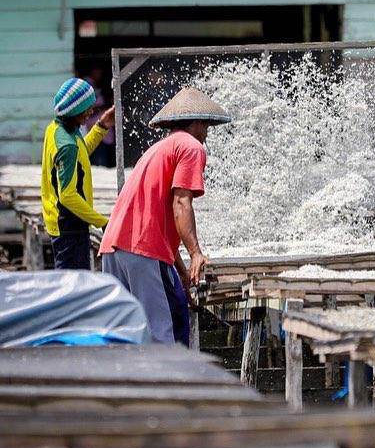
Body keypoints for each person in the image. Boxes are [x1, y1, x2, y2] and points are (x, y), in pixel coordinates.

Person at [99, 87, 231, 344]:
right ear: (197, 123)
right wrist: (196, 253)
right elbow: (181, 202)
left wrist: (182, 272)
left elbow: (161, 219)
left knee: (123, 335)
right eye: (206, 126)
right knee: (164, 331)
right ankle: (171, 383)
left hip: (113, 248)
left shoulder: (158, 148)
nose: (206, 134)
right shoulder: (192, 147)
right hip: (143, 250)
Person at [40, 77, 114, 270]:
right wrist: (102, 222)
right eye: (87, 108)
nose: (91, 112)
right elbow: (67, 195)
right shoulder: (67, 144)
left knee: (74, 282)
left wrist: (101, 127)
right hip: (69, 226)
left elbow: (80, 155)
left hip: (64, 220)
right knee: (72, 284)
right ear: (73, 110)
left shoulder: (57, 129)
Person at [84, 65, 117, 168]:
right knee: (99, 163)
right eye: (98, 72)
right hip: (94, 129)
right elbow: (90, 108)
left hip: (103, 132)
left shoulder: (96, 87)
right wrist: (105, 106)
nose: (99, 75)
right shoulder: (87, 86)